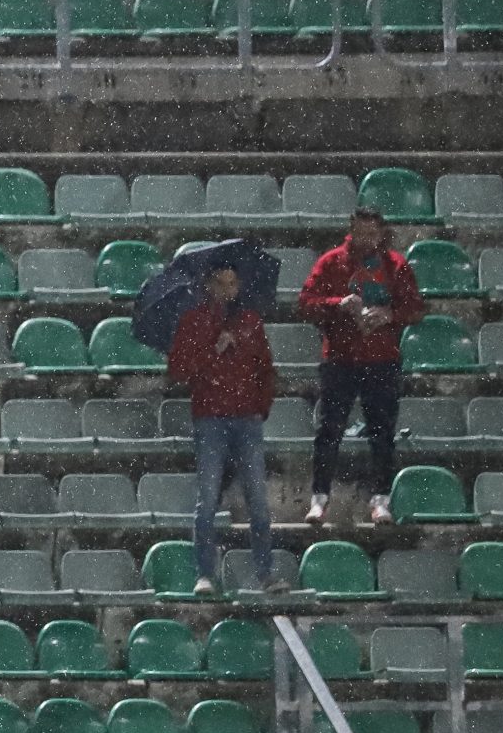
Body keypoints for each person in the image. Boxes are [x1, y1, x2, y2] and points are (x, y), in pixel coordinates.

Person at [302, 206, 424, 529]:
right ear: (351, 230)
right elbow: (306, 302)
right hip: (340, 360)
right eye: (361, 232)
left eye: (373, 233)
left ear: (381, 233)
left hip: (382, 360)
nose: (367, 239)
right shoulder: (332, 262)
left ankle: (381, 500)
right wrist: (337, 305)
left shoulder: (395, 265)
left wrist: (388, 314)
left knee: (382, 434)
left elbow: (414, 307)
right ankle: (319, 498)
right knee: (329, 431)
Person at [168, 260, 278, 595]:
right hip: (211, 418)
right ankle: (205, 574)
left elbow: (266, 369)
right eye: (220, 283)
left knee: (258, 500)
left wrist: (260, 408)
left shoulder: (250, 322)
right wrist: (211, 349)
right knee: (207, 499)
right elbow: (178, 370)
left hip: (246, 419)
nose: (226, 291)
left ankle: (265, 573)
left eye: (232, 284)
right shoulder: (194, 321)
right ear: (208, 286)